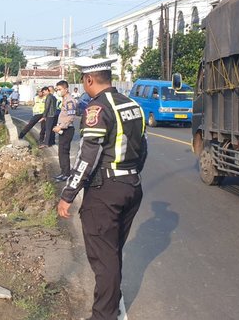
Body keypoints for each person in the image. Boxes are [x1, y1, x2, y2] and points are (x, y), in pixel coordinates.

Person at [56, 57, 147, 320]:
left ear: (89, 80)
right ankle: (111, 304)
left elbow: (88, 157)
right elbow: (143, 149)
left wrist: (68, 194)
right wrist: (130, 176)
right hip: (131, 185)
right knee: (112, 251)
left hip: (106, 190)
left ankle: (104, 315)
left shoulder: (97, 109)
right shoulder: (133, 105)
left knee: (104, 258)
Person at [52, 80, 77, 182]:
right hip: (63, 129)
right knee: (61, 152)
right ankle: (63, 172)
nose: (58, 91)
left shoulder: (70, 101)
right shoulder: (64, 99)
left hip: (67, 130)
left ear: (66, 89)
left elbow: (71, 117)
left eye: (60, 89)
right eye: (57, 89)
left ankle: (66, 174)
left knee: (64, 152)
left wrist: (60, 126)